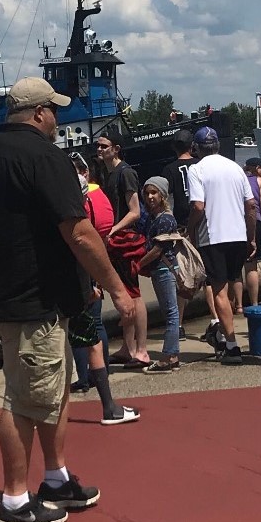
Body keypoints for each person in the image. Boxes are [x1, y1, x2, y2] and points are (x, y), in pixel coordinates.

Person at [0, 77, 136, 522]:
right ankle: (15, 500)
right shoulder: (44, 157)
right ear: (39, 113)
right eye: (54, 111)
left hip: (11, 295)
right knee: (23, 398)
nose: (58, 119)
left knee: (52, 390)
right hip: (36, 299)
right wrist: (116, 287)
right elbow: (77, 231)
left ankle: (56, 479)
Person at [68, 154, 136, 425]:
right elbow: (87, 245)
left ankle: (25, 410)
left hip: (59, 289)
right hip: (79, 285)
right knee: (93, 335)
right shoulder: (83, 211)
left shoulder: (55, 216)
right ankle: (108, 405)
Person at [188, 126, 257, 366]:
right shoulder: (236, 168)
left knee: (218, 291)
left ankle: (231, 344)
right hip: (237, 235)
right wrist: (251, 236)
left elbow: (198, 206)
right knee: (232, 281)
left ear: (196, 149)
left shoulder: (196, 169)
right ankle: (226, 335)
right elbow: (251, 205)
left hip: (213, 237)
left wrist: (190, 230)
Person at [96, 129, 149, 365]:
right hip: (114, 241)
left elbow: (135, 211)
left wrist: (113, 229)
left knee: (134, 294)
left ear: (116, 149)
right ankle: (128, 348)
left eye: (104, 146)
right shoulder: (108, 174)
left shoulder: (125, 173)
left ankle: (142, 349)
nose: (99, 150)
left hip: (126, 240)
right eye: (98, 146)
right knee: (124, 295)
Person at [132, 178, 184, 373]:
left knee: (171, 313)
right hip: (160, 270)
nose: (150, 197)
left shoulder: (164, 219)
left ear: (162, 195)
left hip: (164, 270)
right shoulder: (153, 217)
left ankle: (166, 358)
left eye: (154, 193)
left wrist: (138, 264)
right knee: (169, 311)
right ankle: (174, 356)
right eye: (147, 193)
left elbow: (158, 249)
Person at [241, 157, 261, 311]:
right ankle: (254, 303)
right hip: (255, 222)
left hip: (236, 223)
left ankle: (237, 305)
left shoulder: (238, 178)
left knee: (235, 268)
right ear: (257, 168)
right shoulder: (259, 181)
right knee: (251, 265)